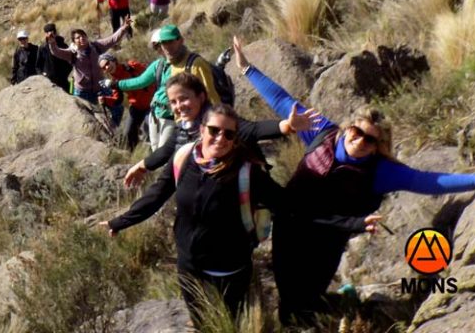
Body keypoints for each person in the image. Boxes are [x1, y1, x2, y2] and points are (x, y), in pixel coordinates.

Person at [232, 36, 475, 325]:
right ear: (347, 126)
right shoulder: (322, 133)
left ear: (379, 145)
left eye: (370, 139)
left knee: (303, 301)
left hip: (326, 241)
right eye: (357, 132)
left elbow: (429, 181)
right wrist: (246, 69)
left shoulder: (380, 171)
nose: (360, 141)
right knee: (288, 294)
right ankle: (339, 304)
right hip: (289, 227)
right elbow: (281, 100)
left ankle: (331, 313)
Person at [102, 104, 357, 326]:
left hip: (229, 270)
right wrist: (119, 222)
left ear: (235, 139)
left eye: (229, 134)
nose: (220, 138)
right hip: (189, 267)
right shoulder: (183, 158)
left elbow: (294, 209)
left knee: (229, 324)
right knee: (203, 323)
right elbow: (155, 196)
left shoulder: (248, 173)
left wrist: (351, 222)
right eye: (214, 130)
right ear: (202, 130)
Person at [123, 70, 318, 188]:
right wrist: (141, 166)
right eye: (173, 101)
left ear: (201, 96)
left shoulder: (217, 120)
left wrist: (287, 126)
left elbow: (252, 129)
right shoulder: (184, 126)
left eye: (184, 98)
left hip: (238, 194)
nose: (178, 106)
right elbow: (167, 151)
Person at [112, 24, 226, 150]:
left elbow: (210, 95)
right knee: (156, 151)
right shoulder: (160, 65)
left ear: (180, 40)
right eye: (162, 44)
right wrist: (117, 84)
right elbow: (141, 81)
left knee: (164, 153)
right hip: (156, 114)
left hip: (174, 117)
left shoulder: (193, 64)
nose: (165, 47)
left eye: (170, 42)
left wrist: (219, 124)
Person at [45, 17, 131, 105]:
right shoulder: (72, 53)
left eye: (83, 36)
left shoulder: (96, 46)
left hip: (100, 87)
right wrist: (52, 43)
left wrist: (123, 28)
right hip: (82, 92)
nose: (81, 38)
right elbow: (57, 52)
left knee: (117, 108)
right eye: (77, 38)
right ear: (74, 42)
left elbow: (112, 39)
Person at [98, 53, 153, 150]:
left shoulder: (132, 66)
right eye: (103, 67)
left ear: (113, 60)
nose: (107, 67)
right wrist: (105, 100)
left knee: (148, 128)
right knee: (128, 133)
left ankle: (152, 154)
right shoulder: (114, 81)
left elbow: (150, 74)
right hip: (136, 107)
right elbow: (118, 100)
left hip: (151, 104)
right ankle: (134, 155)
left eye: (107, 63)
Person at [35, 22, 72, 93]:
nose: (51, 35)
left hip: (63, 80)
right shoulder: (42, 47)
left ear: (55, 32)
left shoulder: (63, 45)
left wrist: (65, 73)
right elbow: (38, 65)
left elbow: (70, 62)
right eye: (48, 33)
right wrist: (42, 75)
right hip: (48, 82)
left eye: (53, 32)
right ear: (45, 34)